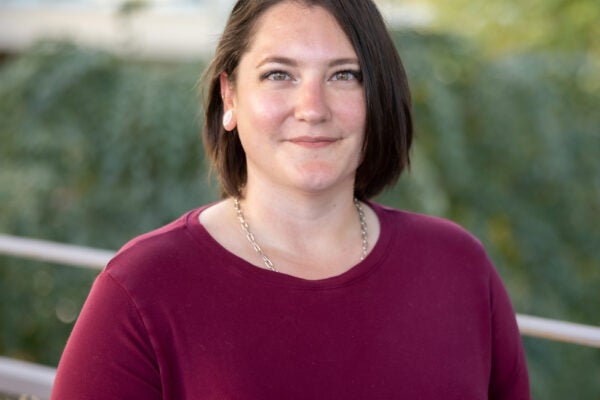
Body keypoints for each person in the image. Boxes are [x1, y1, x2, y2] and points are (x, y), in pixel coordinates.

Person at [51, 0, 530, 399]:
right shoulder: (142, 287)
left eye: (345, 76)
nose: (313, 109)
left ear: (377, 97)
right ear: (230, 97)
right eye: (279, 74)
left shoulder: (458, 265)